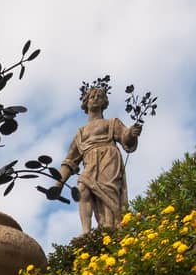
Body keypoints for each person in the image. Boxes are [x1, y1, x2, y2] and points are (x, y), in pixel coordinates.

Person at [54, 82, 144, 234]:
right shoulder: (80, 133)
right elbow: (69, 161)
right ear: (86, 103)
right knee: (82, 188)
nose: (95, 98)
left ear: (104, 103)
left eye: (99, 96)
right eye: (92, 96)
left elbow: (125, 137)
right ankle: (86, 232)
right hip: (89, 161)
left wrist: (131, 133)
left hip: (109, 159)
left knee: (109, 193)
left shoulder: (112, 122)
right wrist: (59, 184)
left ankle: (111, 227)